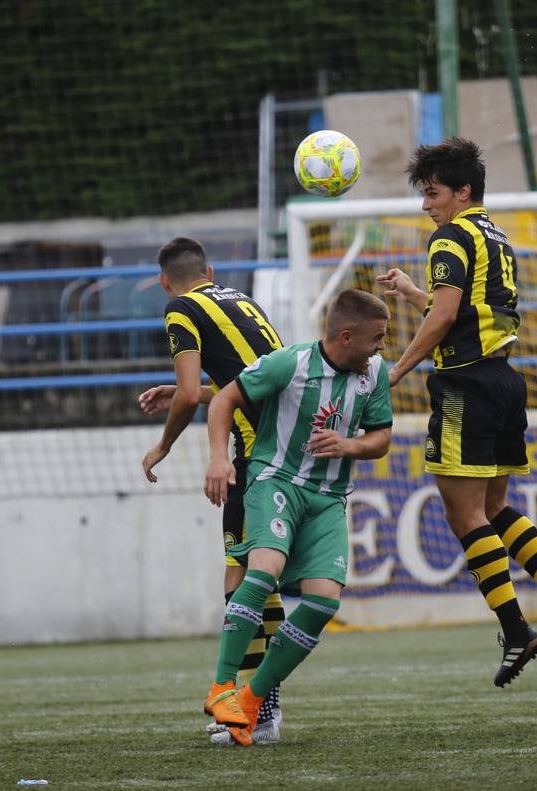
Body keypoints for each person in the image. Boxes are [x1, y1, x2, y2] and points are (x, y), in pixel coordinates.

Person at [375, 136, 537, 688]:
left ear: (461, 191)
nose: (426, 205)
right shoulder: (495, 236)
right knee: (495, 506)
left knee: (462, 515)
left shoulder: (448, 238)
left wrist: (397, 370)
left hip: (463, 387)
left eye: (432, 194)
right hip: (504, 380)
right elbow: (470, 308)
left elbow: (448, 315)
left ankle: (517, 629)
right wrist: (411, 293)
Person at [201, 289, 392, 746]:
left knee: (324, 602)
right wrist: (218, 459)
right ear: (345, 336)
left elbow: (382, 436)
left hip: (329, 498)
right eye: (377, 339)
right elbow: (222, 401)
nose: (382, 348)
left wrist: (350, 445)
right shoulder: (291, 363)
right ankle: (223, 687)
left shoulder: (374, 373)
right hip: (277, 481)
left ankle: (252, 704)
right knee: (264, 569)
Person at [137, 237, 288, 745]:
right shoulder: (240, 299)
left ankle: (259, 711)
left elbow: (186, 393)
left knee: (242, 575)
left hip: (256, 451)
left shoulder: (180, 309)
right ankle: (256, 705)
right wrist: (193, 392)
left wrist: (164, 445)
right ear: (211, 270)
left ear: (164, 280)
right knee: (256, 572)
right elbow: (249, 377)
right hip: (291, 441)